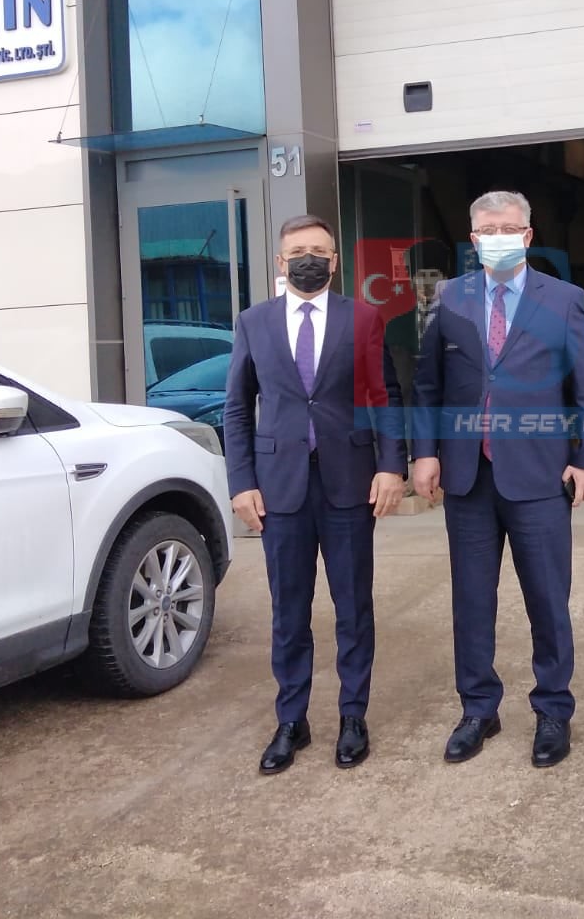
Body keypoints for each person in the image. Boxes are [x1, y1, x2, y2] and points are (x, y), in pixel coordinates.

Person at [411, 191, 584, 768]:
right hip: (467, 477)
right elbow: (428, 384)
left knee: (547, 599)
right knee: (472, 601)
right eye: (488, 230)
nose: (498, 237)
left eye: (509, 228)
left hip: (540, 476)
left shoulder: (563, 299)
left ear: (528, 235)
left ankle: (553, 710)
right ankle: (478, 709)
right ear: (473, 239)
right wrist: (424, 453)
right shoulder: (450, 298)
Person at [224, 215, 407, 776]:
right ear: (281, 262)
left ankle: (353, 715)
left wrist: (391, 466)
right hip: (279, 488)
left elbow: (385, 396)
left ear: (335, 261)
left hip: (349, 481)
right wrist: (241, 481)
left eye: (319, 251)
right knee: (288, 610)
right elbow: (237, 407)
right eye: (298, 251)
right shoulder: (253, 322)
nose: (309, 259)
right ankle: (291, 719)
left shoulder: (364, 318)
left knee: (353, 606)